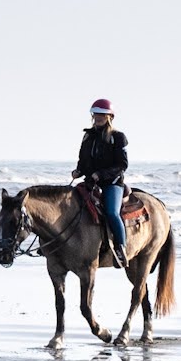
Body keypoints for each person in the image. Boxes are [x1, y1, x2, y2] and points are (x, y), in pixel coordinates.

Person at [72, 97, 130, 263]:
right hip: (91, 182)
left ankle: (121, 248)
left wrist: (101, 175)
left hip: (112, 183)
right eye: (96, 114)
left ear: (110, 117)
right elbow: (82, 160)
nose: (98, 117)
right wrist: (78, 171)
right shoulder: (88, 136)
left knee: (111, 212)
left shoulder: (118, 137)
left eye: (102, 115)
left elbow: (122, 165)